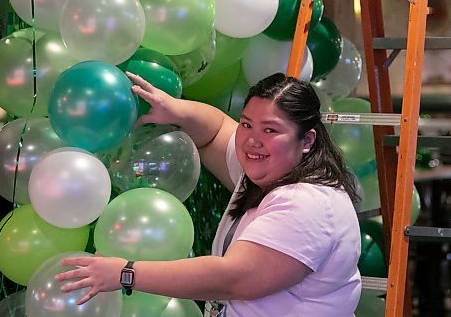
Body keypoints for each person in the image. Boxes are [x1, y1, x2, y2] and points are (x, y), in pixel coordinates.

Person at [55, 72, 362, 316]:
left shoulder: (307, 203)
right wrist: (175, 109)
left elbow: (233, 279)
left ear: (307, 140)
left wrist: (125, 273)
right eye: (247, 125)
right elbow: (215, 130)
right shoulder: (266, 175)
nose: (252, 141)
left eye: (270, 130)